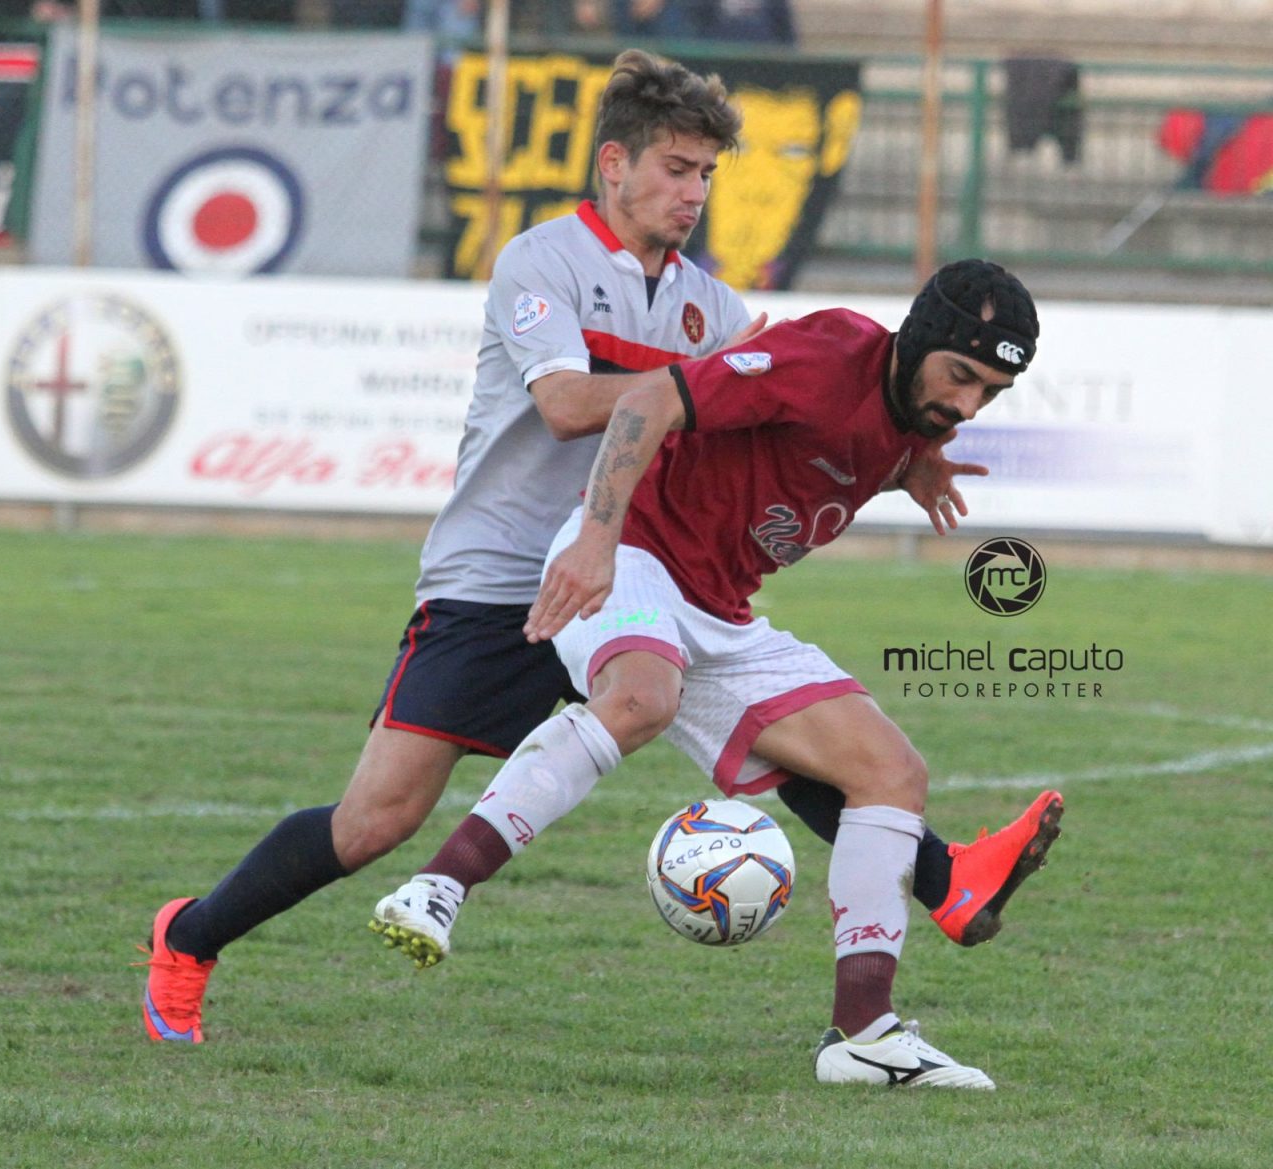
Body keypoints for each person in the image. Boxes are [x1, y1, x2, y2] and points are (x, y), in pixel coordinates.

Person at [137, 50, 1050, 1045]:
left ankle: (940, 886)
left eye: (706, 174)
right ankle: (190, 934)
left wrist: (893, 450)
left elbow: (794, 419)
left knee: (785, 748)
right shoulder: (543, 262)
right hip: (503, 575)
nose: (691, 192)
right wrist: (719, 387)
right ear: (611, 164)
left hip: (643, 573)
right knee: (375, 820)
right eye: (672, 168)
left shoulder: (714, 308)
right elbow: (572, 406)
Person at [371, 259, 1063, 1090]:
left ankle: (865, 1035)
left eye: (989, 393)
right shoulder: (825, 354)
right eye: (961, 377)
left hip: (720, 612)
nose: (965, 406)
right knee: (640, 698)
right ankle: (437, 888)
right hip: (634, 554)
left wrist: (911, 464)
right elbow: (646, 401)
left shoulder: (918, 418)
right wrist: (595, 539)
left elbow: (853, 447)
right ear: (920, 340)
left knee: (890, 771)